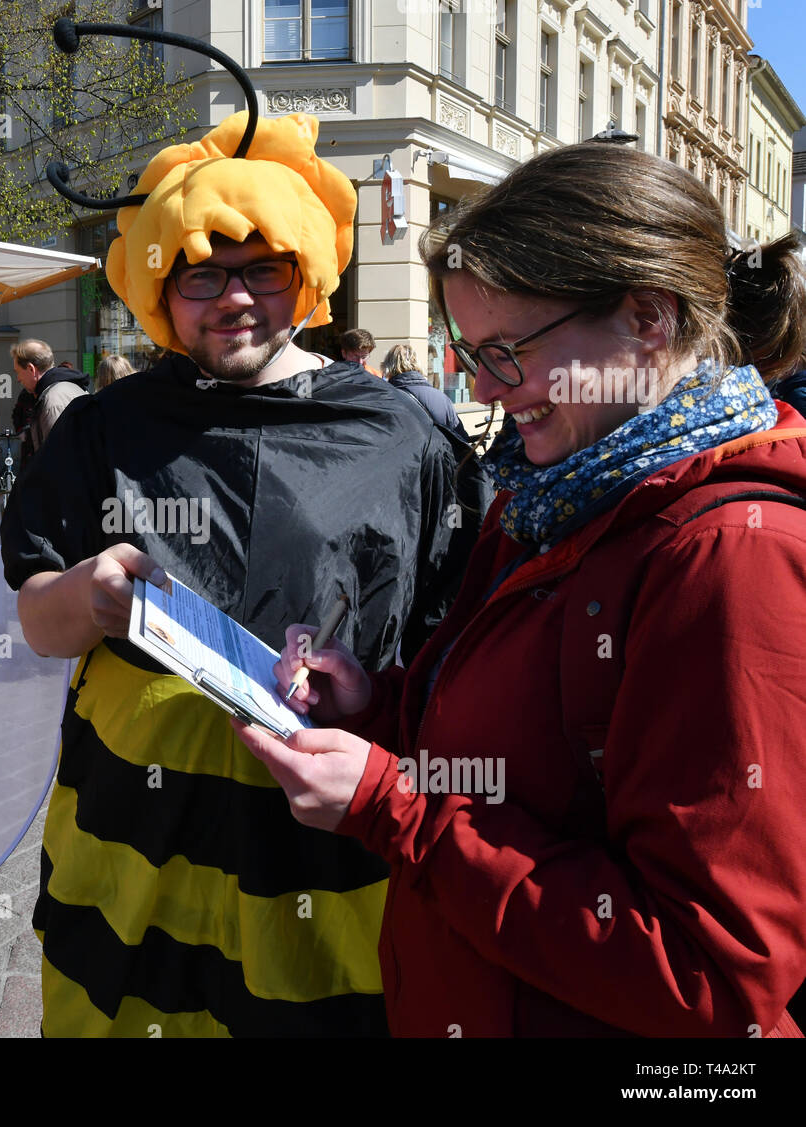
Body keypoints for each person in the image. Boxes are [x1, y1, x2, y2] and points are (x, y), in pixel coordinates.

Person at [235, 142, 806, 1037]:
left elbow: (710, 978)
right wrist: (378, 711)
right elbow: (527, 771)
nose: (476, 385)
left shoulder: (729, 556)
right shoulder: (558, 491)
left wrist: (398, 807)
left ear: (648, 320)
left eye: (504, 350)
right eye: (466, 350)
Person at [2, 108, 487, 1036]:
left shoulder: (402, 436)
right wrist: (85, 595)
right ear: (162, 289)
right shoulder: (107, 427)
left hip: (311, 838)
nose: (233, 297)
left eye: (262, 268)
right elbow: (36, 618)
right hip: (131, 831)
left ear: (305, 275)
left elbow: (443, 644)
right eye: (202, 272)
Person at [12, 339, 88, 461]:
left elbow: (58, 460)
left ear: (31, 369)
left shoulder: (52, 400)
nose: (18, 379)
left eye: (18, 372)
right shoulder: (64, 389)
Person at [381, 343, 467, 439]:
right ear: (417, 363)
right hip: (439, 453)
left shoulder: (386, 399)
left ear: (387, 366)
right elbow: (461, 438)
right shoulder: (441, 398)